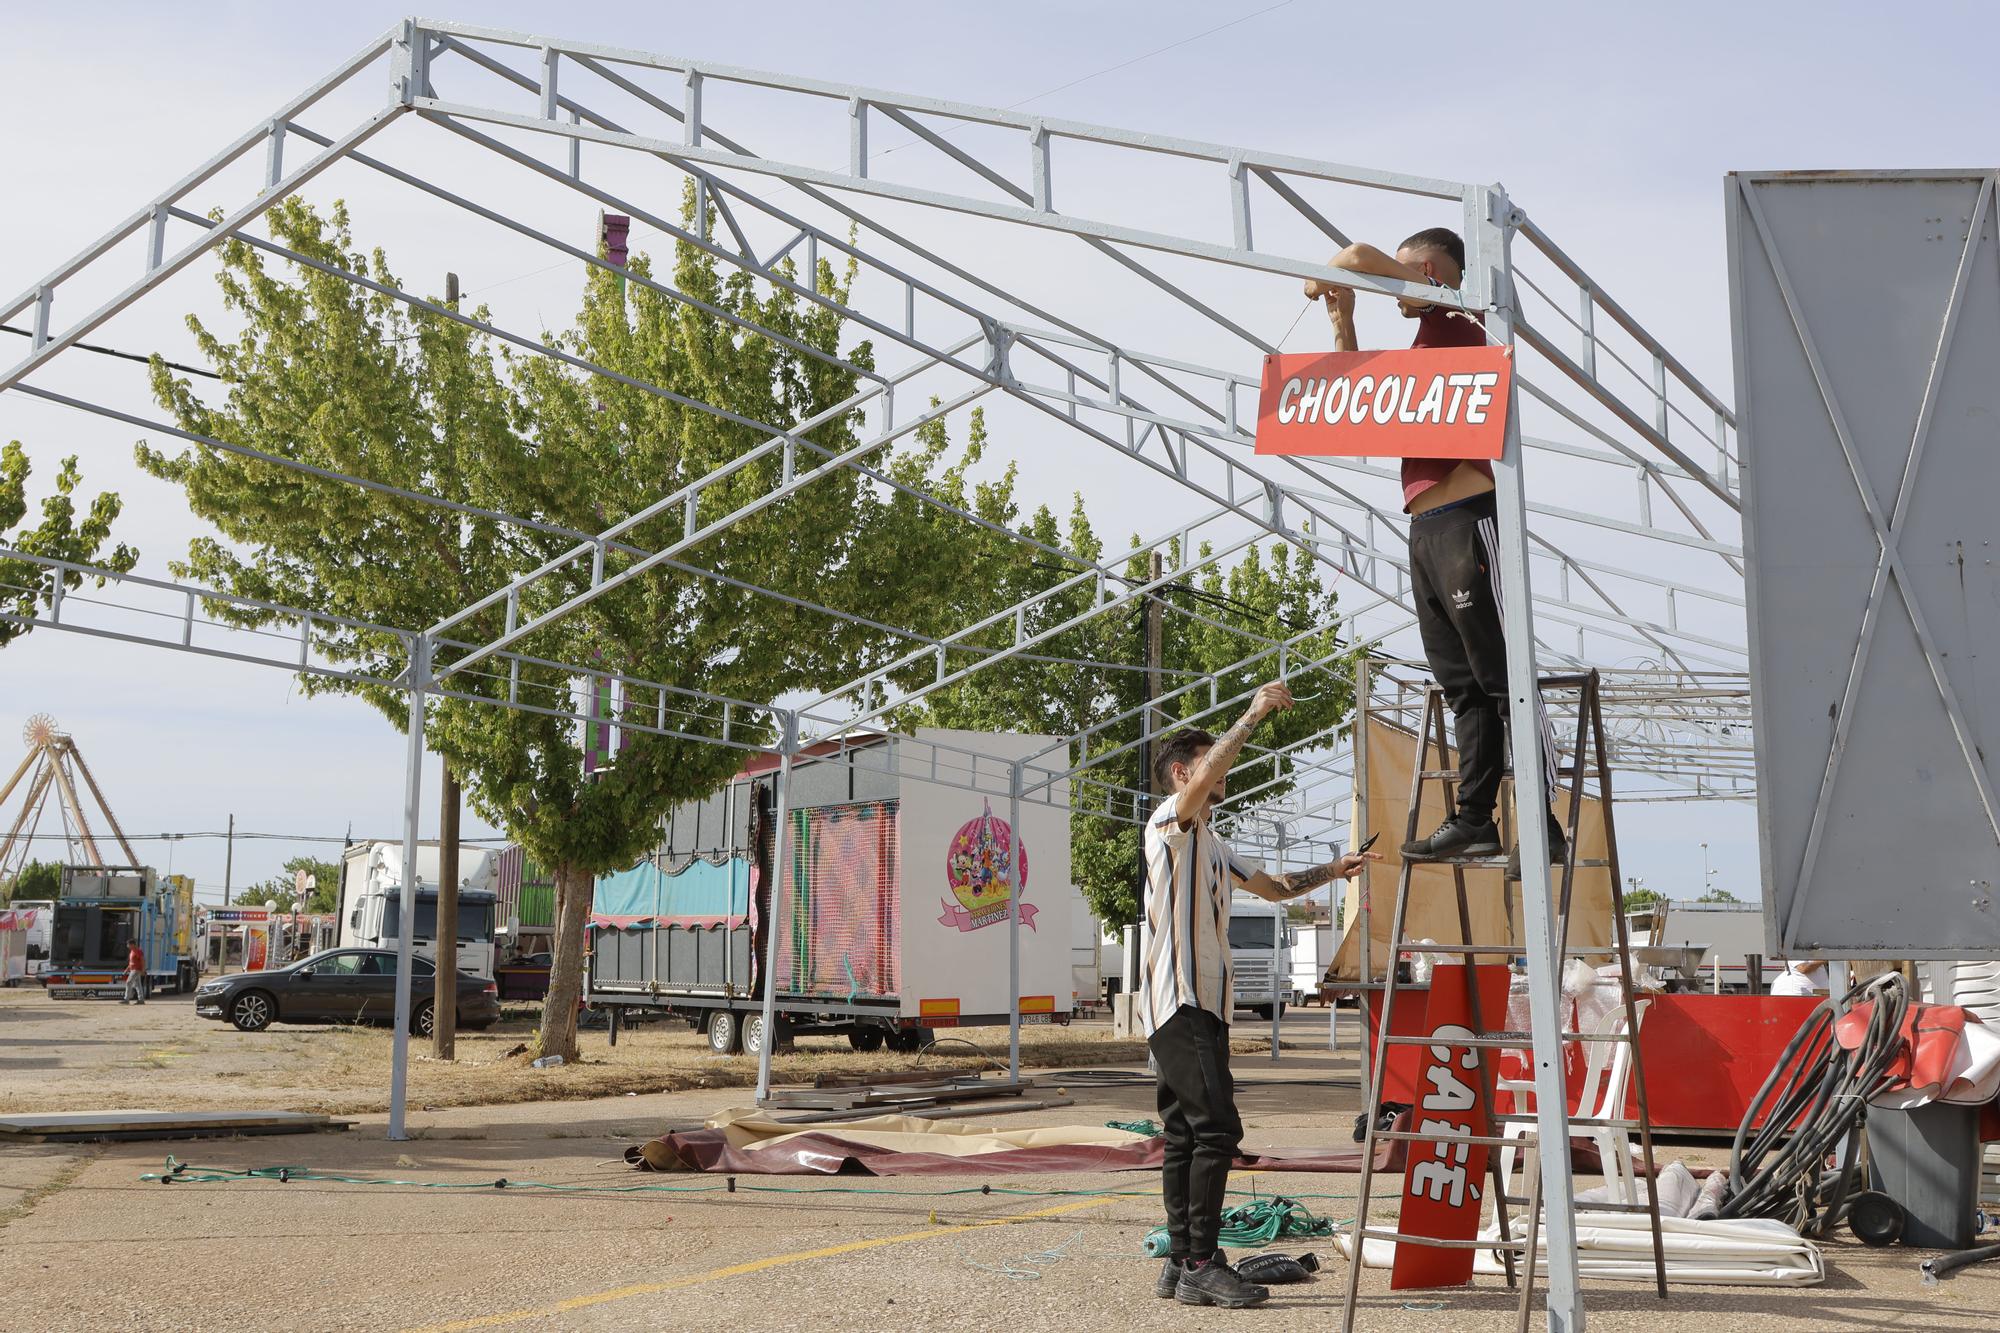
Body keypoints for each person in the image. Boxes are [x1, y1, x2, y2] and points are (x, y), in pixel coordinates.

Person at [1304, 228, 1565, 873]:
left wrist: (1324, 276)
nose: (1400, 280)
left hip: (1468, 518)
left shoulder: (1458, 312)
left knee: (1503, 677)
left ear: (1431, 270)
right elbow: (1352, 400)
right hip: (1427, 525)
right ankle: (1475, 818)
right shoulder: (1426, 346)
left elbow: (1357, 257)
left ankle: (1543, 822)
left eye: (1410, 268)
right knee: (1463, 685)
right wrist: (1344, 319)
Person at [1142, 681, 1379, 1308]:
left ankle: (1180, 1260)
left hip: (1200, 1003)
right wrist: (1251, 712)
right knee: (1217, 1129)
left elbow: (1273, 888)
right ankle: (1198, 1261)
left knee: (1187, 1134)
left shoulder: (1216, 846)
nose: (1226, 770)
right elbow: (1206, 774)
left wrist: (1334, 870)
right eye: (1210, 763)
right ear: (1183, 774)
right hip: (1182, 998)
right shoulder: (1171, 821)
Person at [122, 938, 146, 1005]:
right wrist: (126, 970)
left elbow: (143, 960)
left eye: (128, 944)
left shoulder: (138, 951)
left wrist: (143, 970)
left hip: (136, 970)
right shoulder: (132, 952)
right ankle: (141, 1000)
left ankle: (126, 999)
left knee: (128, 982)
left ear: (132, 944)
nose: (127, 946)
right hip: (133, 969)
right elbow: (131, 963)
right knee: (138, 985)